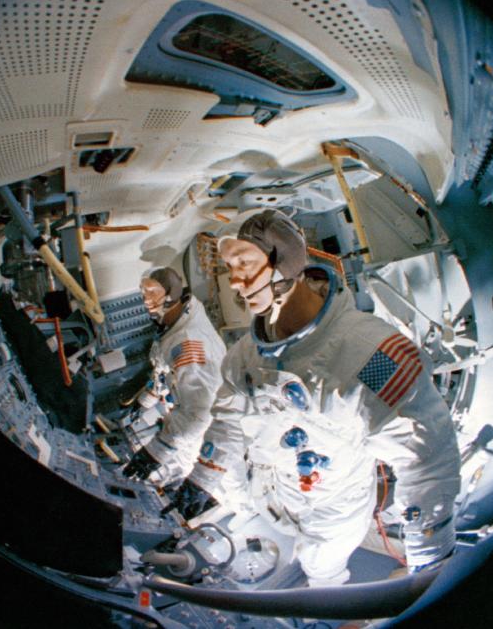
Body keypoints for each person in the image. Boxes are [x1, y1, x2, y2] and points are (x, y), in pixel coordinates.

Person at [163, 209, 461, 586]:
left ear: (284, 262)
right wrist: (203, 478)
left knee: (321, 570)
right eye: (230, 268)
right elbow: (228, 424)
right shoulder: (245, 356)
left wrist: (428, 557)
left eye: (244, 264)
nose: (234, 281)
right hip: (276, 496)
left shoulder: (368, 352)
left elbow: (426, 459)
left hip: (333, 511)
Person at [122, 267, 227, 485]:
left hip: (203, 432)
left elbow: (199, 414)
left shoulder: (187, 342)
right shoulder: (180, 317)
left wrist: (156, 452)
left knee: (186, 466)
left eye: (152, 291)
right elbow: (163, 370)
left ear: (171, 294)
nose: (145, 298)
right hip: (189, 416)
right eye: (143, 291)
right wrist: (146, 400)